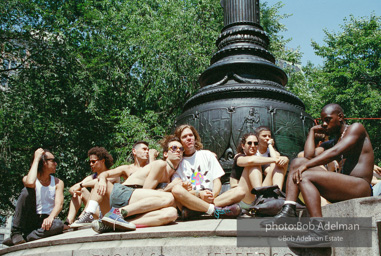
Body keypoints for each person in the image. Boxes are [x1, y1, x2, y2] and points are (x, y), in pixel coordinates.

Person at [264, 104, 374, 246]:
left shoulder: (356, 128)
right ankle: (289, 210)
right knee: (298, 162)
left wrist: (307, 166)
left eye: (328, 119)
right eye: (322, 120)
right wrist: (312, 132)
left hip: (360, 187)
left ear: (340, 117)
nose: (324, 124)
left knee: (306, 174)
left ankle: (318, 231)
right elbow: (308, 155)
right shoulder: (334, 141)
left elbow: (335, 152)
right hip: (343, 188)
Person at [71, 137, 181, 232]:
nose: (147, 152)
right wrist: (97, 180)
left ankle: (113, 224)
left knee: (171, 213)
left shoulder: (166, 174)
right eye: (144, 149)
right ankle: (91, 214)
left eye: (181, 149)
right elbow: (147, 189)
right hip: (125, 193)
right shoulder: (137, 167)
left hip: (135, 206)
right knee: (169, 198)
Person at [171, 125, 245, 219]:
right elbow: (181, 190)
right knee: (176, 190)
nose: (189, 138)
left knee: (241, 191)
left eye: (191, 135)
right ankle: (215, 211)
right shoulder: (178, 162)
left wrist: (212, 195)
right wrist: (200, 195)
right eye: (184, 137)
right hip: (192, 198)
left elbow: (217, 180)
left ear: (195, 137)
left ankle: (194, 212)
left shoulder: (207, 155)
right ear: (180, 141)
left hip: (212, 197)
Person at [2, 148, 64, 247]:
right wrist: (36, 159)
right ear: (44, 162)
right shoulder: (29, 178)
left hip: (45, 222)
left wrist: (50, 217)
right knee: (26, 191)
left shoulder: (58, 182)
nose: (56, 163)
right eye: (53, 160)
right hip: (29, 218)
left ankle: (26, 237)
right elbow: (30, 183)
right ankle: (16, 233)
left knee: (58, 225)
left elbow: (59, 204)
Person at [229, 133, 287, 211]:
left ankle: (277, 196)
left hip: (258, 196)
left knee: (278, 165)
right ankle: (260, 198)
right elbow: (250, 161)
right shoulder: (239, 157)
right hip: (243, 198)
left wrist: (282, 159)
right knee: (253, 164)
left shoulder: (259, 160)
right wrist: (276, 159)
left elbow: (271, 169)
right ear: (243, 146)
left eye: (256, 143)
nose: (253, 146)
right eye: (249, 143)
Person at [66, 147, 119, 228]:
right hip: (97, 211)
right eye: (90, 162)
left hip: (109, 211)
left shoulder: (112, 174)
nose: (91, 164)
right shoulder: (92, 176)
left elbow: (97, 182)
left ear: (103, 161)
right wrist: (75, 191)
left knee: (97, 185)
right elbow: (72, 188)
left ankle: (84, 216)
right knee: (81, 191)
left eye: (93, 162)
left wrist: (81, 185)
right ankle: (68, 222)